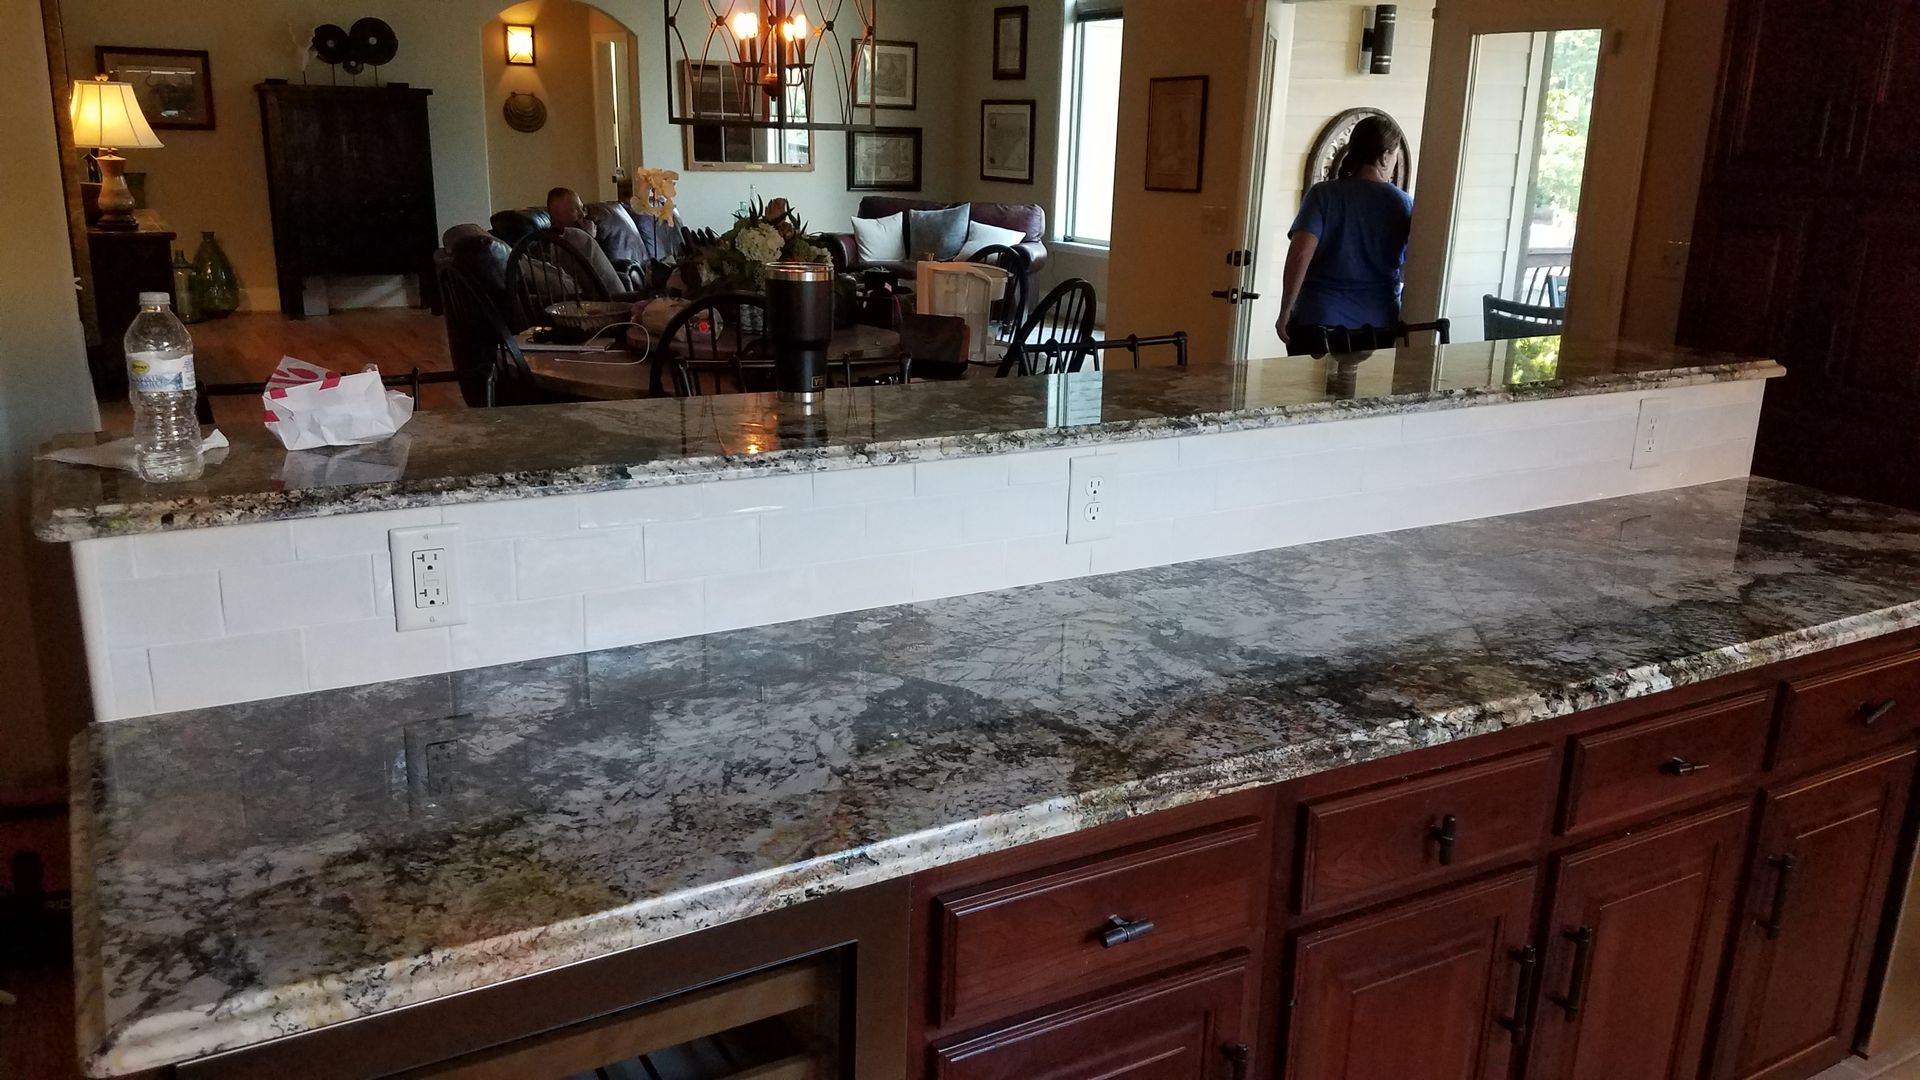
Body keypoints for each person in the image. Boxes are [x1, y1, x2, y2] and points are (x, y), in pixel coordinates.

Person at [1274, 117, 1414, 356]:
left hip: (1319, 319)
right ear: (1384, 157)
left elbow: (1300, 254)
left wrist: (1286, 309)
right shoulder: (1403, 204)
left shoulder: (1323, 195)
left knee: (1311, 393)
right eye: (1394, 156)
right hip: (1378, 324)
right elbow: (1406, 268)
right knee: (1366, 394)